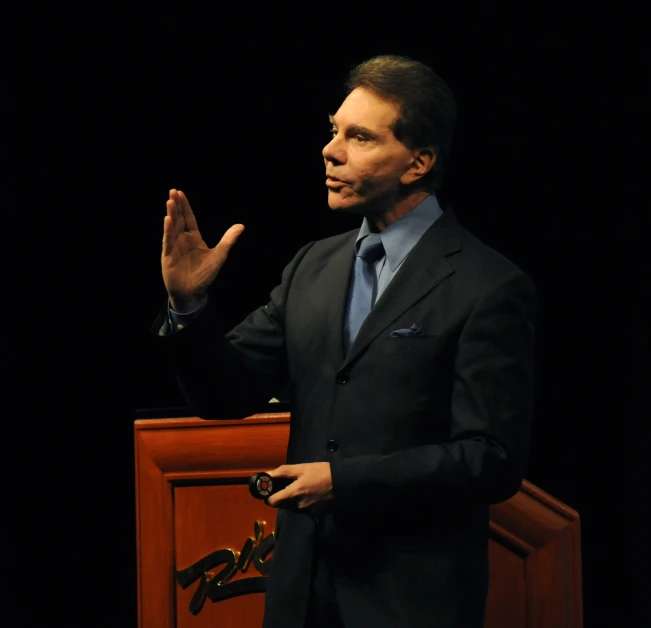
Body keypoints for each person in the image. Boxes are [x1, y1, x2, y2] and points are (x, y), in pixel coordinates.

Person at [154, 55, 537, 628]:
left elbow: (490, 460)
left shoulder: (489, 285)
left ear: (419, 162)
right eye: (334, 131)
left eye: (359, 137)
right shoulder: (313, 265)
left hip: (409, 602)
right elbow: (224, 397)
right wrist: (189, 307)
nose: (331, 150)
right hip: (299, 595)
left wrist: (343, 483)